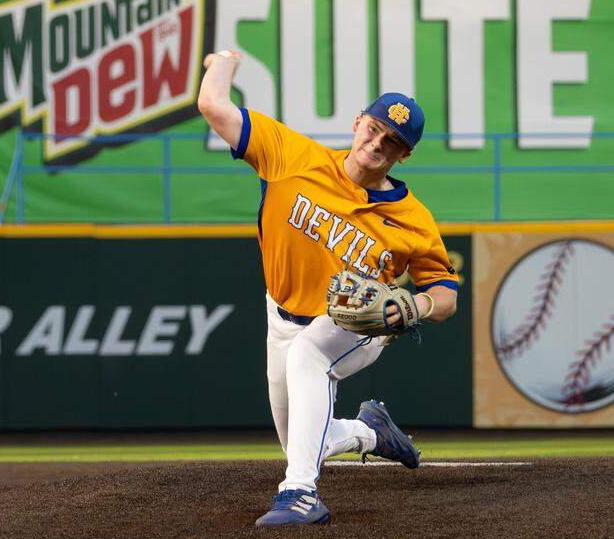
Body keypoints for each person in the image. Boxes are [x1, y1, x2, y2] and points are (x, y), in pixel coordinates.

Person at [197, 50, 460, 526]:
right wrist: (225, 61)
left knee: (310, 358)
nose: (377, 143)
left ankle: (299, 494)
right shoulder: (292, 155)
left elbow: (446, 294)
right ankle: (370, 433)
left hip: (357, 322)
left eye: (393, 141)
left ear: (405, 154)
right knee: (300, 437)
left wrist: (416, 305)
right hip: (282, 317)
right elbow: (213, 105)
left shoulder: (414, 221)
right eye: (374, 128)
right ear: (358, 121)